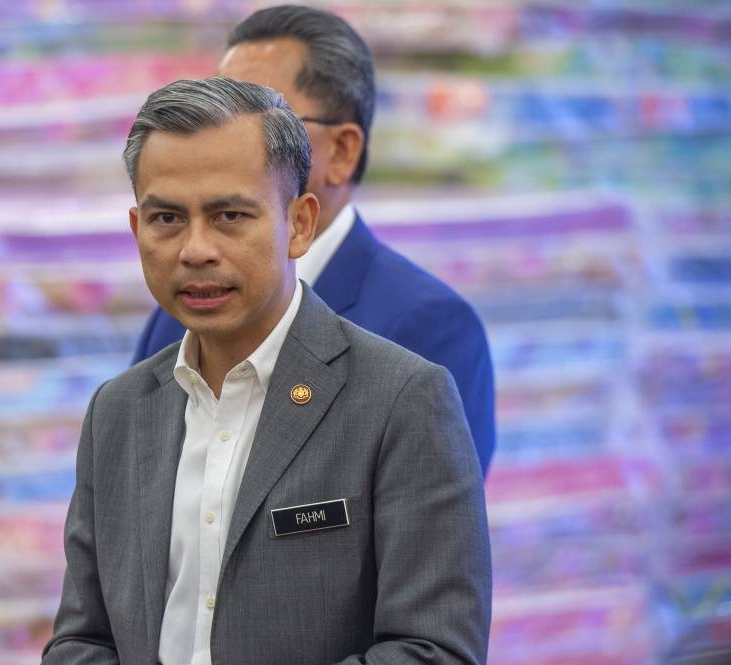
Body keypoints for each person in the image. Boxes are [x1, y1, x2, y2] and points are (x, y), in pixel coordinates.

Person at [42, 76, 491, 665]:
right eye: (167, 219)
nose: (195, 249)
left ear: (299, 224)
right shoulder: (119, 410)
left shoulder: (402, 398)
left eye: (229, 215)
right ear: (136, 230)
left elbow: (435, 650)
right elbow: (82, 639)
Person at [131, 5, 496, 476]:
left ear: (342, 151)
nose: (224, 140)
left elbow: (431, 535)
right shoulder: (178, 314)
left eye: (265, 117)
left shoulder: (425, 326)